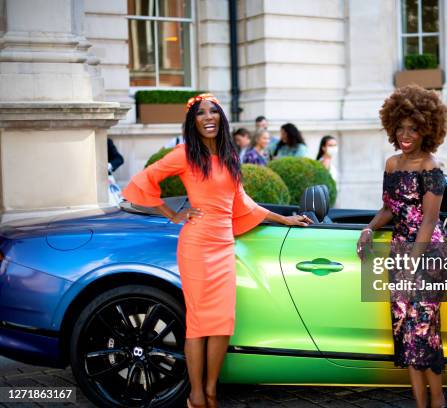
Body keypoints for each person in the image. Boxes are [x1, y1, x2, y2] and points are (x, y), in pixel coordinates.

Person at [121, 93, 313, 408]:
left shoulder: (229, 157)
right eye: (201, 113)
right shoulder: (184, 154)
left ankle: (211, 391)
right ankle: (195, 395)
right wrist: (173, 214)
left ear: (221, 119)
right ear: (192, 121)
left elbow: (244, 203)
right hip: (196, 245)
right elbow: (144, 180)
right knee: (198, 323)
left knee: (222, 322)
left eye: (214, 112)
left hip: (224, 246)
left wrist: (284, 218)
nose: (208, 117)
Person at [357, 85, 447, 408]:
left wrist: (412, 265)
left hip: (428, 253)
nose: (405, 135)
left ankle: (438, 401)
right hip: (401, 251)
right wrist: (369, 229)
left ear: (428, 130)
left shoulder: (431, 166)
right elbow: (389, 208)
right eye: (400, 128)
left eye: (413, 129)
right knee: (405, 328)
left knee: (424, 328)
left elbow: (428, 219)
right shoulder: (392, 164)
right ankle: (419, 403)